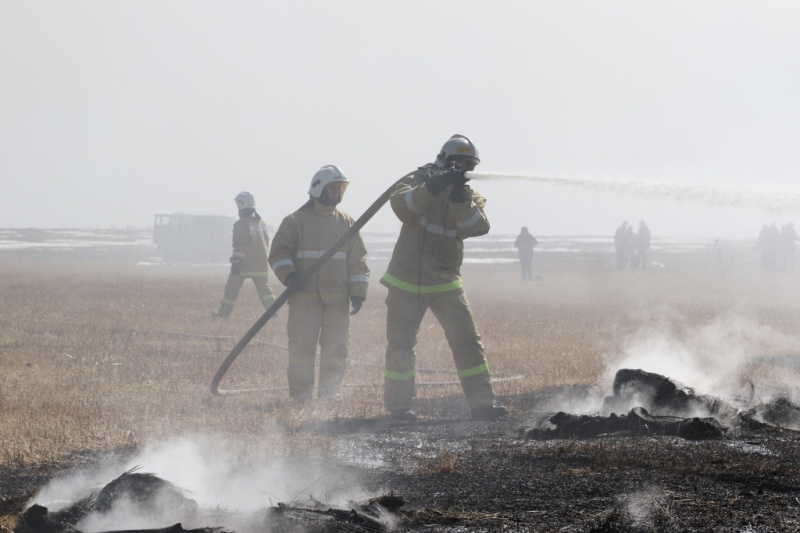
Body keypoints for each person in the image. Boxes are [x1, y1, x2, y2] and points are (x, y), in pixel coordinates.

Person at [380, 134, 508, 422]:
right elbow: (402, 207)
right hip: (405, 280)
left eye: (467, 164)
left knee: (467, 342)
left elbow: (478, 227)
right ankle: (399, 410)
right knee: (401, 346)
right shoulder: (417, 179)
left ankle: (482, 406)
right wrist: (431, 187)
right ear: (444, 160)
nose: (462, 168)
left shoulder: (469, 195)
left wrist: (460, 198)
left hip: (446, 281)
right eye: (457, 163)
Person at [268, 165, 369, 401]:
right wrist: (290, 276)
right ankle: (301, 396)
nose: (336, 193)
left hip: (337, 302)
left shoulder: (347, 224)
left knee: (336, 351)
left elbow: (358, 260)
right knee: (301, 351)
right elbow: (279, 253)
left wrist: (358, 292)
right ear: (319, 189)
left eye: (338, 188)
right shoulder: (295, 221)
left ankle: (329, 395)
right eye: (332, 188)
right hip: (304, 301)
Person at [213, 192, 275, 319]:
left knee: (231, 289)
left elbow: (240, 244)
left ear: (241, 207)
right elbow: (267, 241)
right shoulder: (261, 223)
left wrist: (236, 262)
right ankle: (274, 313)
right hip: (261, 264)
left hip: (243, 264)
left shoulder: (241, 224)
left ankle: (223, 314)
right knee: (265, 291)